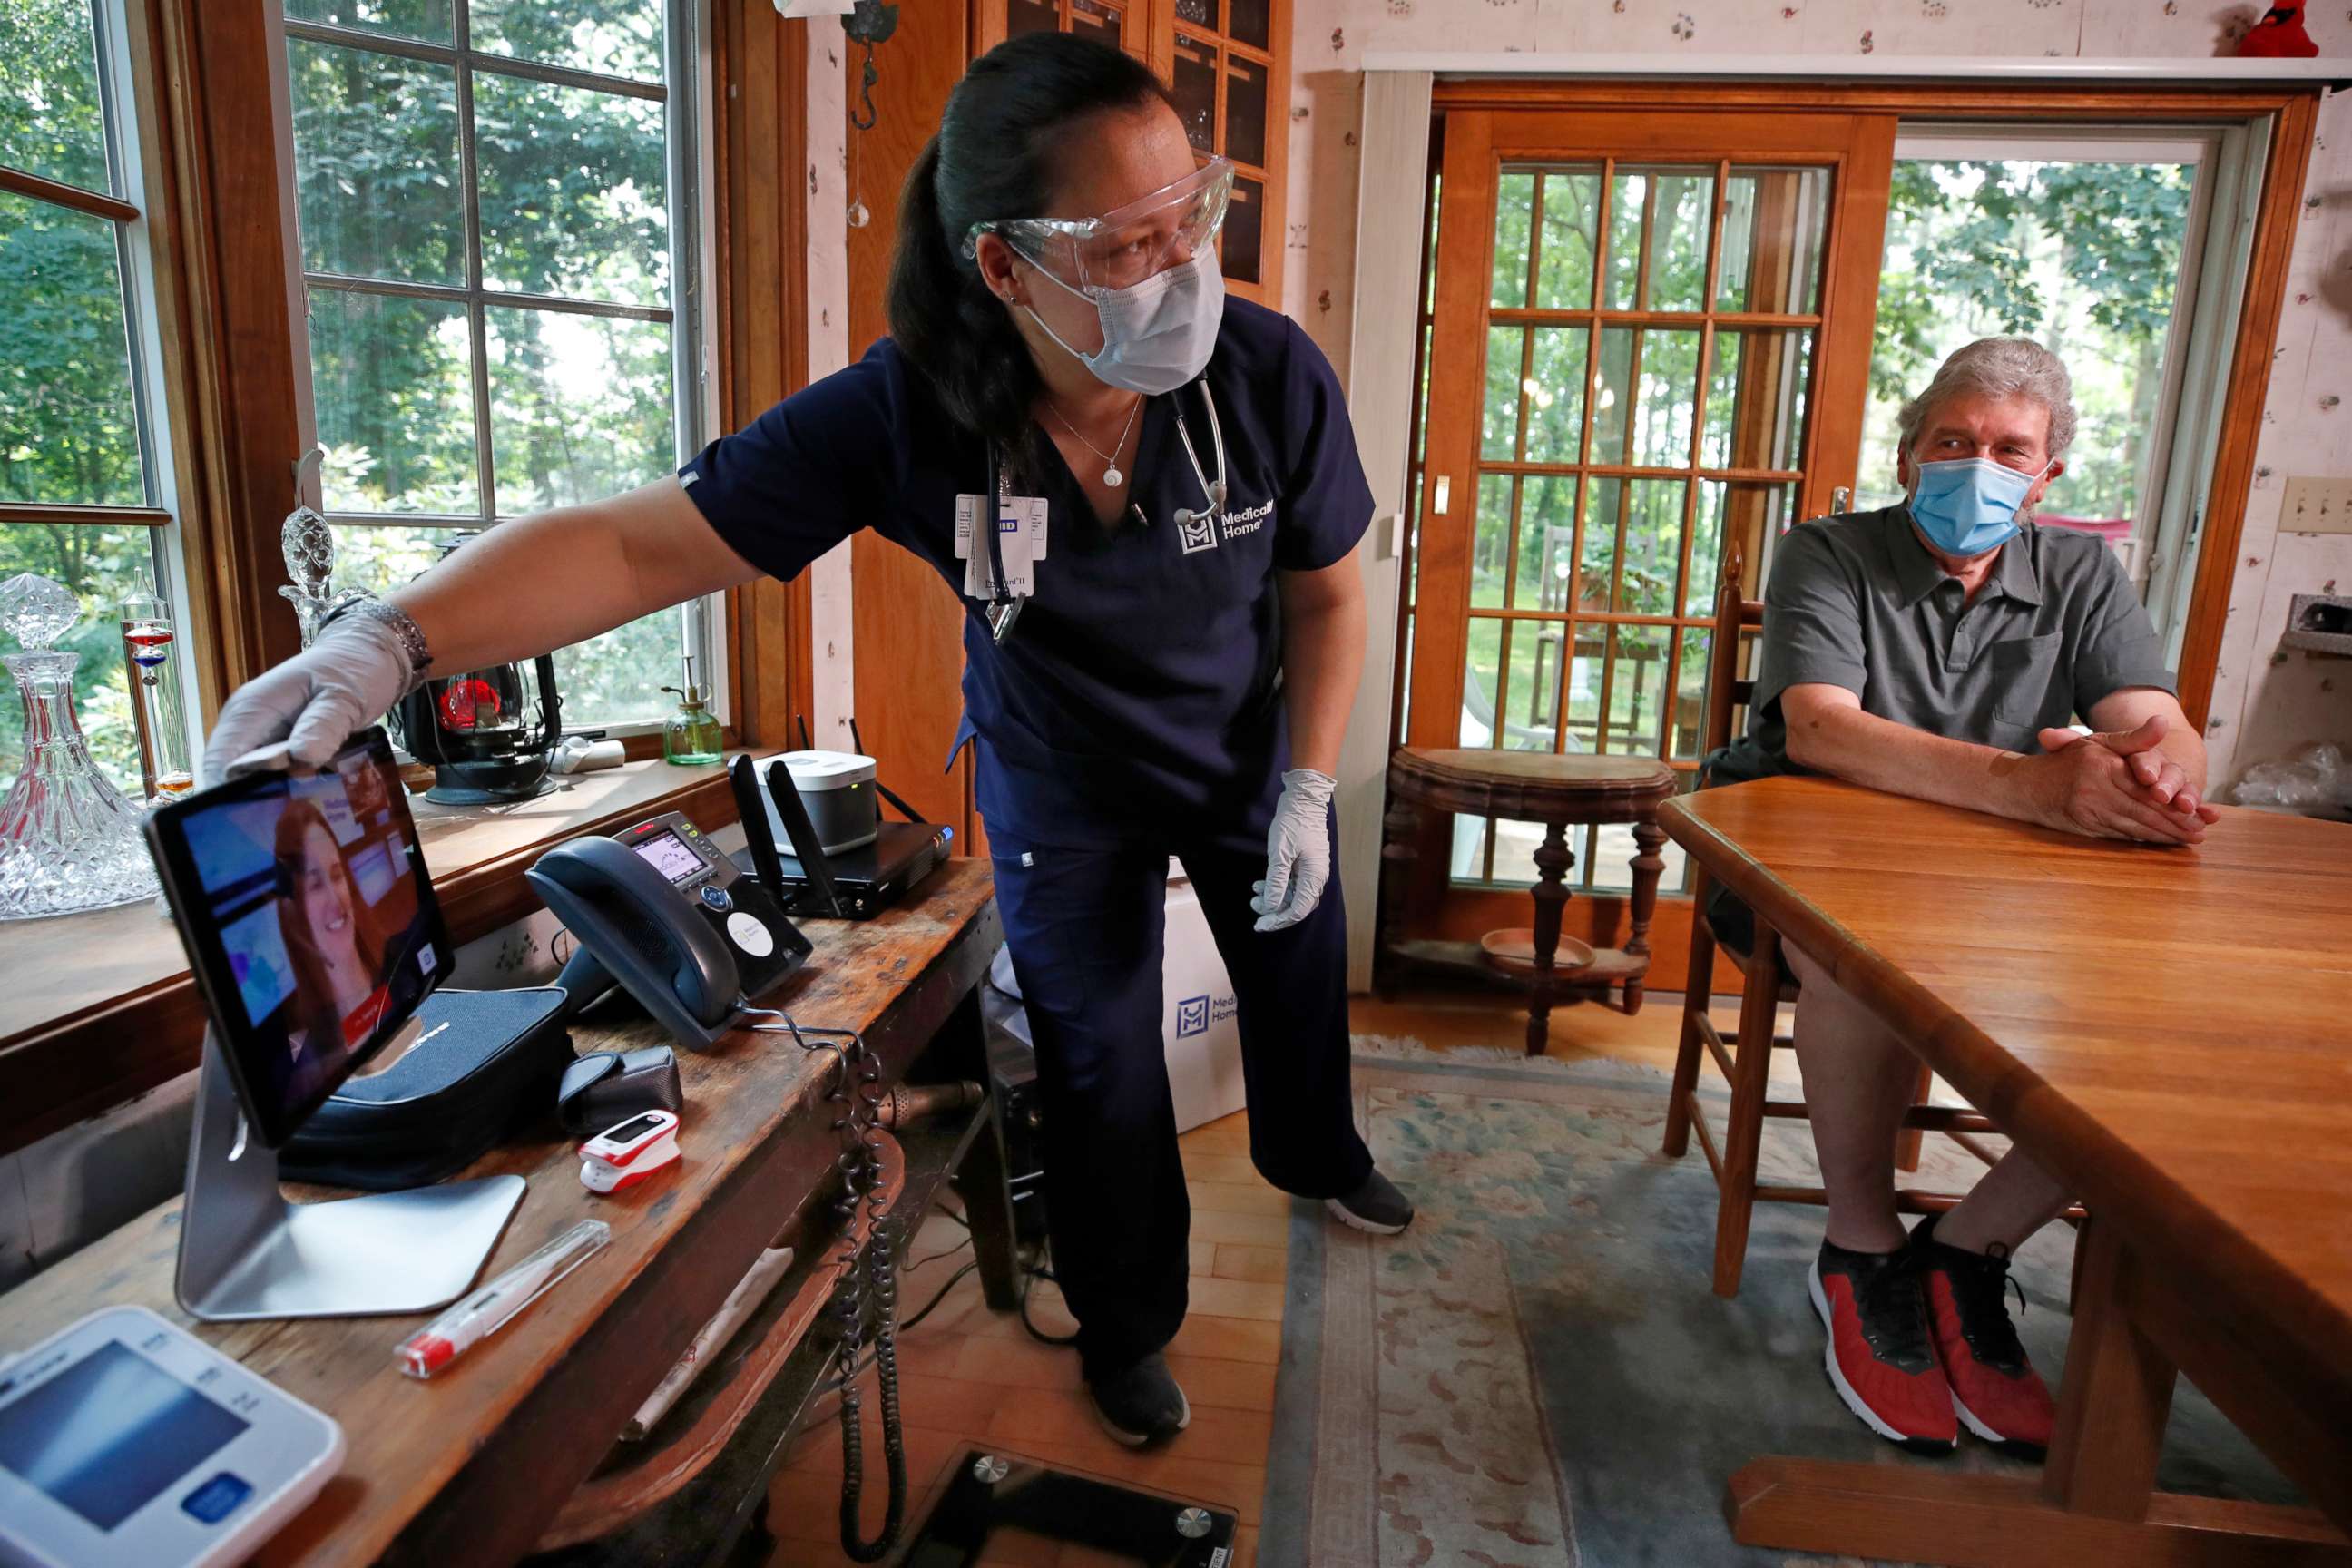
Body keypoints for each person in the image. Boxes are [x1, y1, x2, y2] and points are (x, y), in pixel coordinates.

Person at [201, 32, 1412, 1447]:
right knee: (1101, 1064)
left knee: (1295, 962)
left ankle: (1319, 1151)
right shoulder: (909, 410)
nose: (1183, 268)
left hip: (1246, 751)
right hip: (1060, 779)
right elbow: (640, 546)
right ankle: (1129, 1323)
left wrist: (1313, 783)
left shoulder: (1263, 374)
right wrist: (392, 636)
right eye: (1127, 243)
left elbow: (1329, 591)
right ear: (1005, 266)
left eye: (1188, 218)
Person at [1704, 337, 2219, 1457]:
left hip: (2006, 897)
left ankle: (1967, 1249)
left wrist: (2163, 769)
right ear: (1908, 454)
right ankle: (1861, 1248)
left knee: (2173, 1011)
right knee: (1857, 956)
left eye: (2008, 449)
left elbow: (2155, 718)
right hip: (1808, 871)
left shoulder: (2081, 576)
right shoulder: (1828, 552)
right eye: (1953, 441)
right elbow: (1819, 729)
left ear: (2048, 478)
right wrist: (2031, 788)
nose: (1977, 465)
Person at [273, 797, 389, 1111]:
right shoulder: (309, 1074)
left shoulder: (400, 962)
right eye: (314, 886)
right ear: (294, 911)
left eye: (337, 875)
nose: (335, 898)